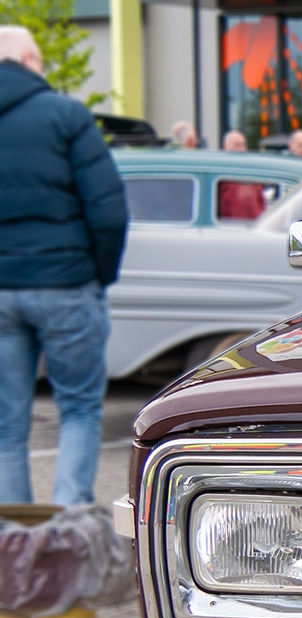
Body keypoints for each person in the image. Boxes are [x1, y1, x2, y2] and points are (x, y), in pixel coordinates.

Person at [0, 26, 127, 505]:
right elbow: (109, 209)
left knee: (6, 426)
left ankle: (12, 541)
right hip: (66, 283)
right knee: (77, 408)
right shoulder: (66, 115)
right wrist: (98, 273)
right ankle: (69, 528)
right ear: (31, 59)